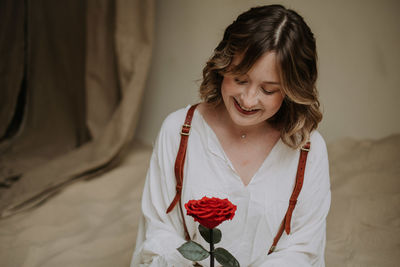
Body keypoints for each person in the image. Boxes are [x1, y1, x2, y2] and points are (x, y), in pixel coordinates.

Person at [131, 4, 330, 267]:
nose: (248, 100)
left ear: (293, 90)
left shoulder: (309, 149)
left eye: (268, 90)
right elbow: (159, 232)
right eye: (239, 79)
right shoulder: (178, 131)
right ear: (222, 67)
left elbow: (302, 250)